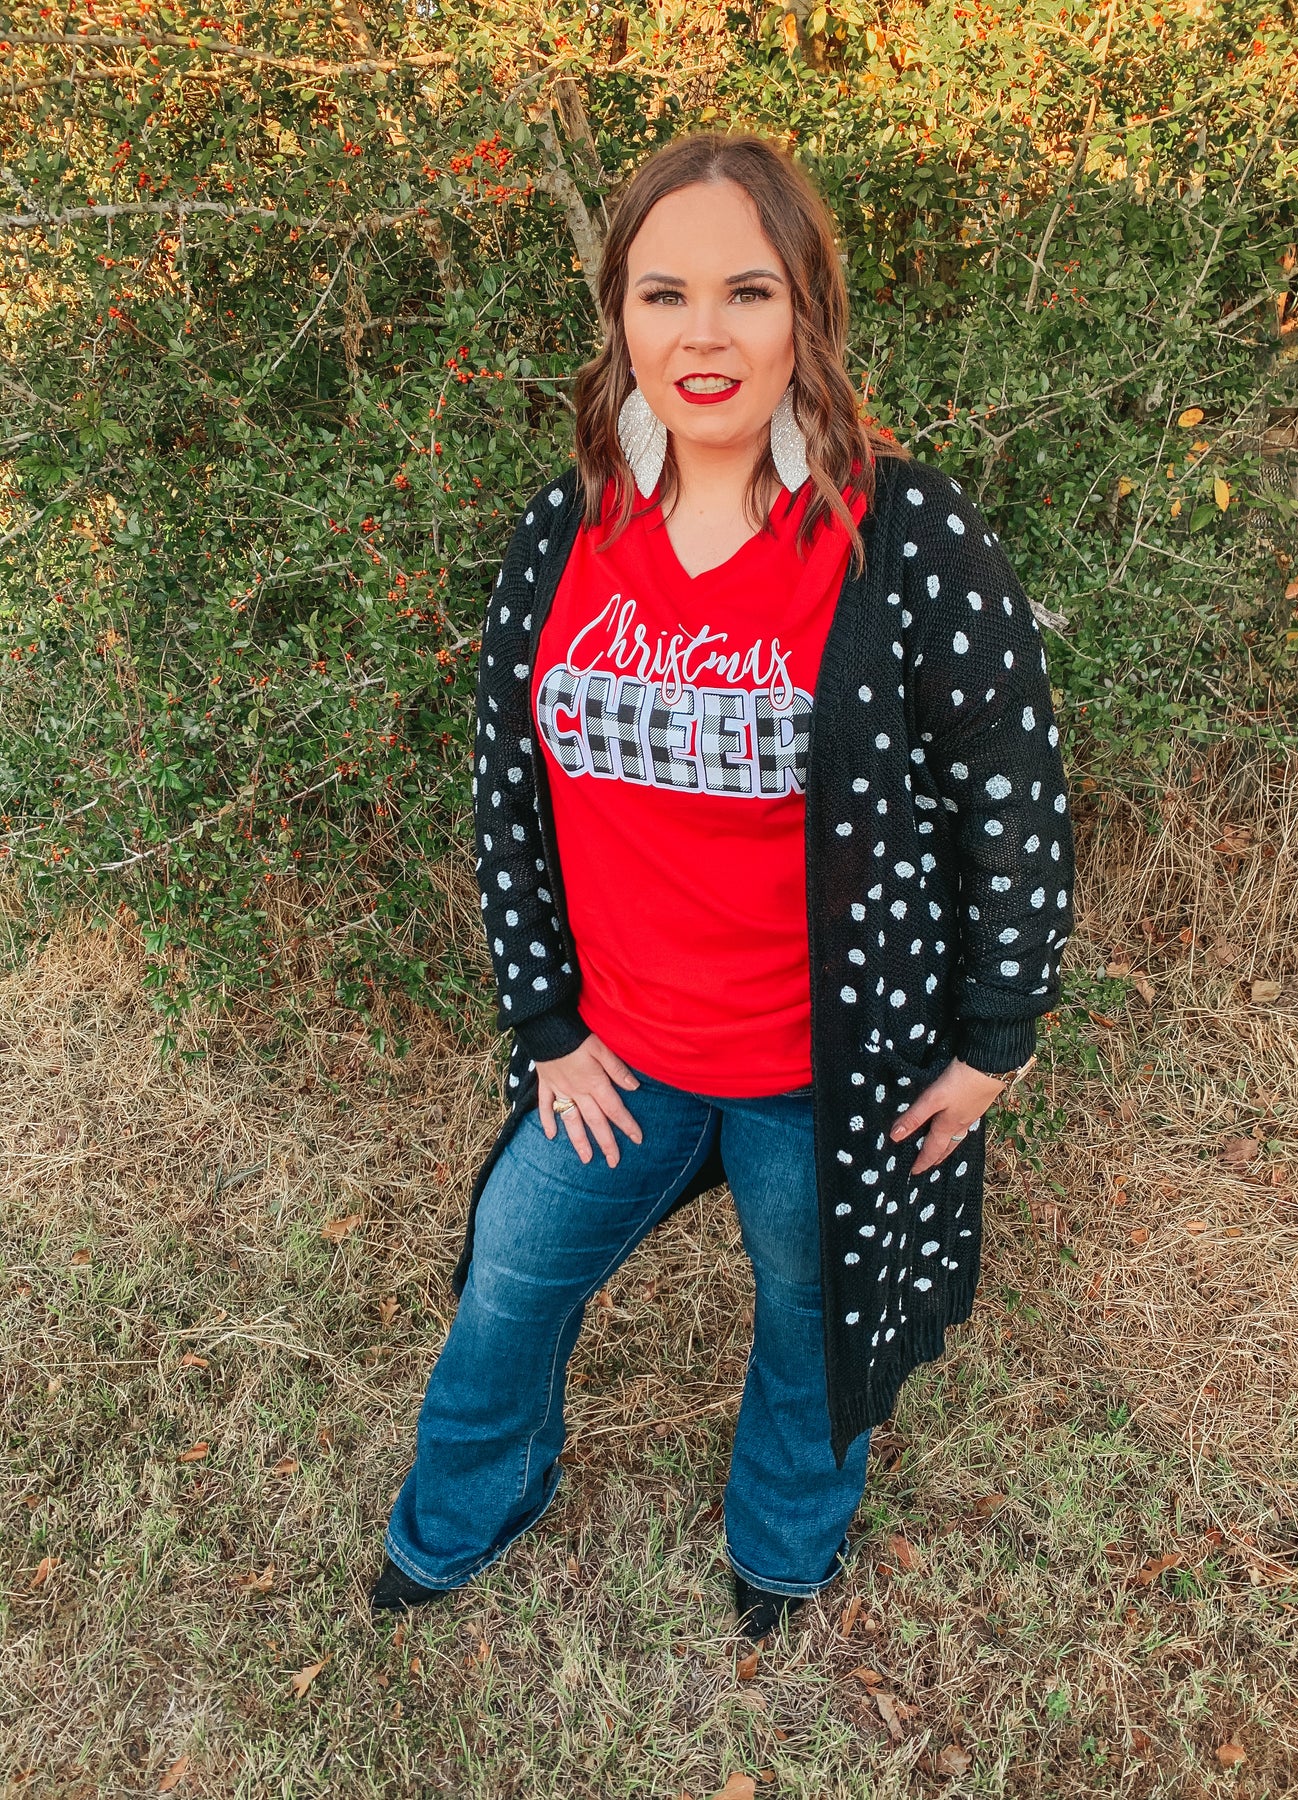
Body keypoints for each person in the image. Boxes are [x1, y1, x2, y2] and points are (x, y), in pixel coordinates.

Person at [371, 131, 1074, 1640]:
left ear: (804, 310)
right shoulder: (567, 529)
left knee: (812, 1326)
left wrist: (992, 1037)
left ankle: (783, 1543)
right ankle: (469, 1504)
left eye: (747, 292)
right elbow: (508, 793)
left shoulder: (902, 539)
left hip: (823, 1072)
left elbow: (1012, 797)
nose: (704, 335)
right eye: (664, 293)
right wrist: (546, 1024)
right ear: (619, 315)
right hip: (617, 1058)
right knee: (507, 1283)